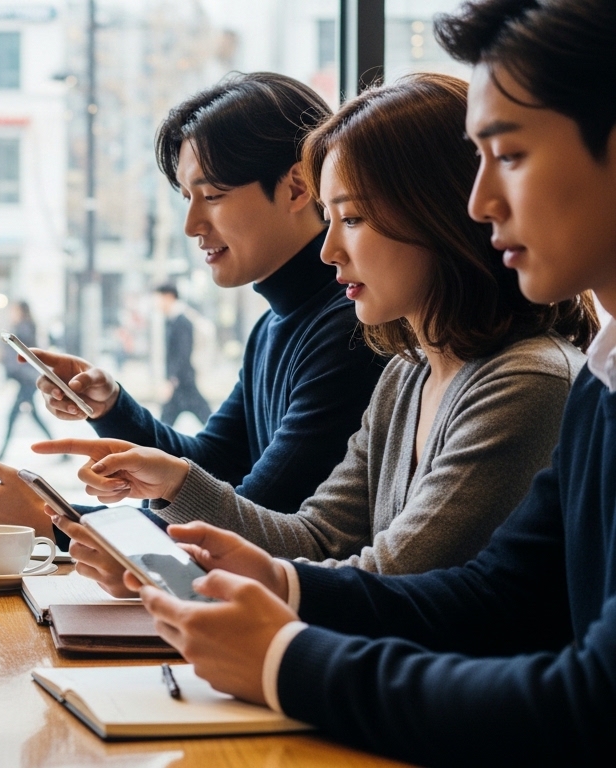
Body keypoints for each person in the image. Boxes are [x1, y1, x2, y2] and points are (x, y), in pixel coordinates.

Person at [116, 1, 616, 763]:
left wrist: (285, 656)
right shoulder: (590, 379)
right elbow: (494, 591)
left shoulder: (539, 379)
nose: (481, 204)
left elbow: (587, 700)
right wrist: (284, 586)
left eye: (508, 156)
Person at [44, 73, 596, 596]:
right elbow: (315, 538)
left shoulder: (524, 380)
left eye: (351, 219)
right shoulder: (407, 371)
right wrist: (171, 488)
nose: (330, 251)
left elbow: (391, 581)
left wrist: (156, 561)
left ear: (441, 215)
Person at [0, 73, 385, 539]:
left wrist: (52, 521)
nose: (192, 224)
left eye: (212, 196)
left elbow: (249, 522)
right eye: (187, 198)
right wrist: (112, 406)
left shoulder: (352, 328)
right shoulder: (275, 325)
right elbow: (211, 466)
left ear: (298, 188)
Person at [0, 300, 52, 460]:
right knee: (33, 415)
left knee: (12, 416)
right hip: (27, 379)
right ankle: (61, 450)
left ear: (21, 311)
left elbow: (21, 354)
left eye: (13, 310)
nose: (11, 314)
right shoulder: (25, 327)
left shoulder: (24, 328)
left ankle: (2, 452)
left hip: (27, 380)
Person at [154, 284, 211, 427]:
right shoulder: (173, 320)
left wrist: (172, 380)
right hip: (182, 382)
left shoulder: (182, 322)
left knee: (208, 419)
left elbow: (182, 353)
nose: (156, 304)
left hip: (182, 381)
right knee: (165, 422)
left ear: (169, 297)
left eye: (158, 299)